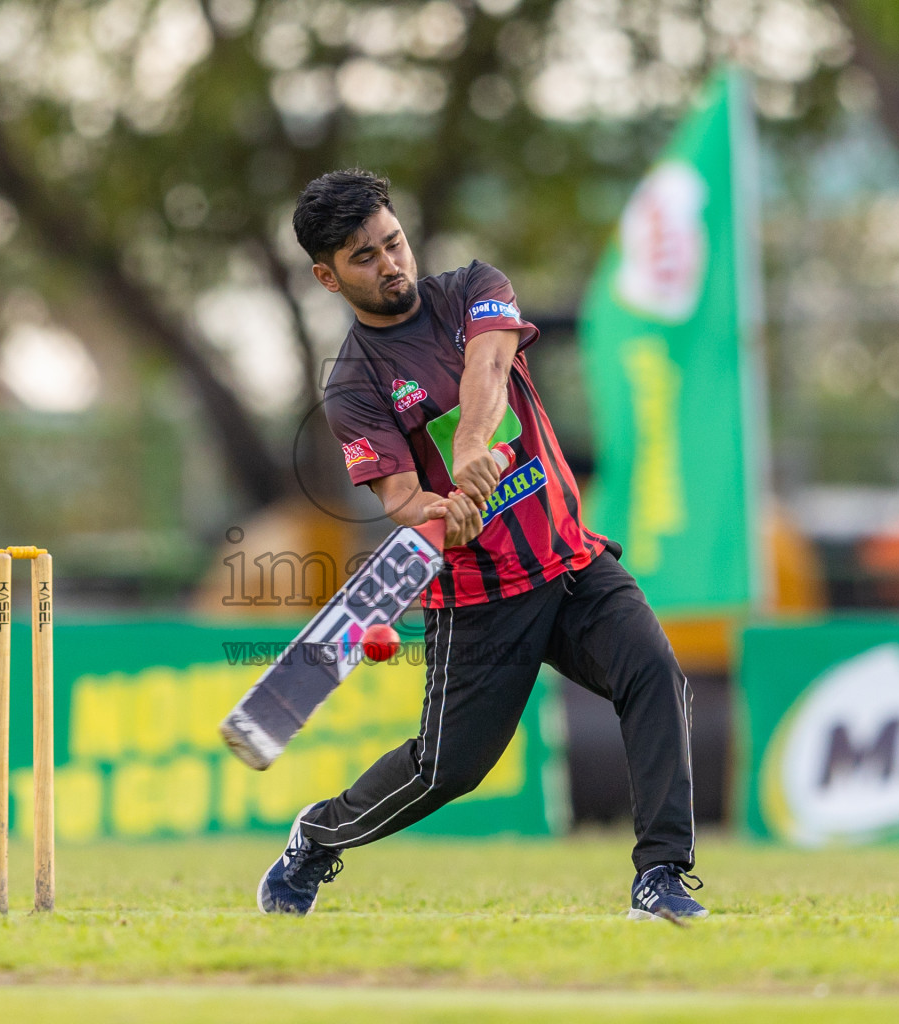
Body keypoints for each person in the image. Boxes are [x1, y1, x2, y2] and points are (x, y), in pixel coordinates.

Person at [257, 169, 705, 922]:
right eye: (364, 257)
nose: (390, 263)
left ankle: (660, 877)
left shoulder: (472, 288)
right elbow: (400, 497)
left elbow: (489, 369)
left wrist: (470, 444)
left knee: (656, 676)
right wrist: (442, 512)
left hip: (570, 557)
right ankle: (316, 837)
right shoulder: (354, 389)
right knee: (446, 771)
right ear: (326, 276)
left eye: (393, 242)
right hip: (480, 597)